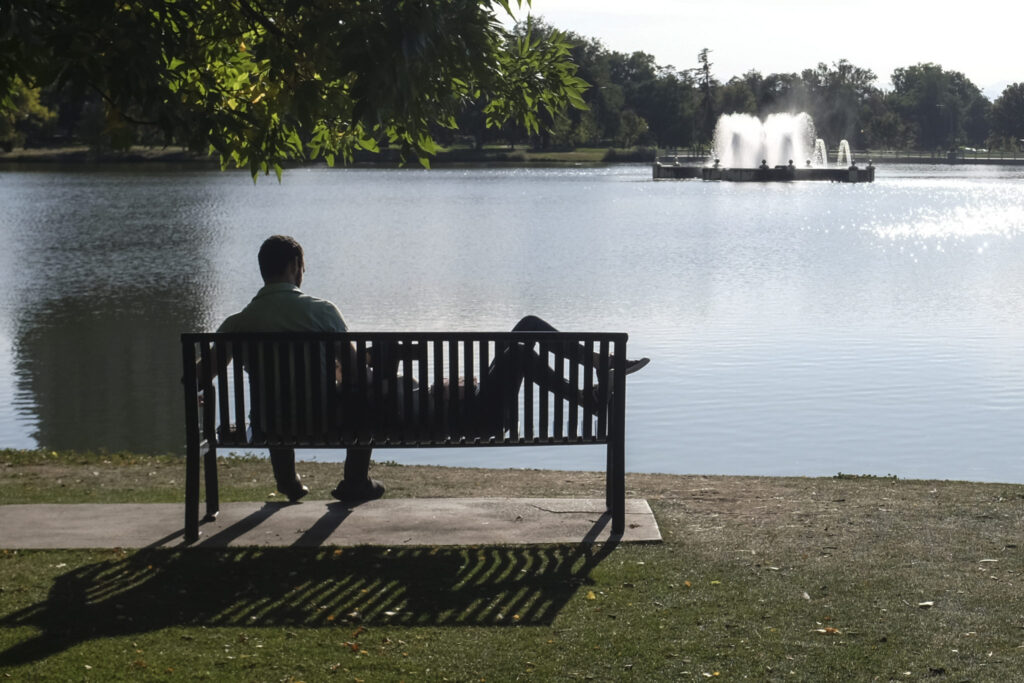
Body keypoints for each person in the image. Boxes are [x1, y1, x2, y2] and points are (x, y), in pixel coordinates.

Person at [216, 235, 381, 504]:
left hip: (266, 426)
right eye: (302, 268)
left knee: (274, 398)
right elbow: (357, 373)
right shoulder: (324, 313)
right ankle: (356, 480)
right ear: (295, 265)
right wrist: (339, 375)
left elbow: (201, 375)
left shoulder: (239, 322)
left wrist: (194, 385)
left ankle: (288, 481)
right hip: (324, 422)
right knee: (361, 395)